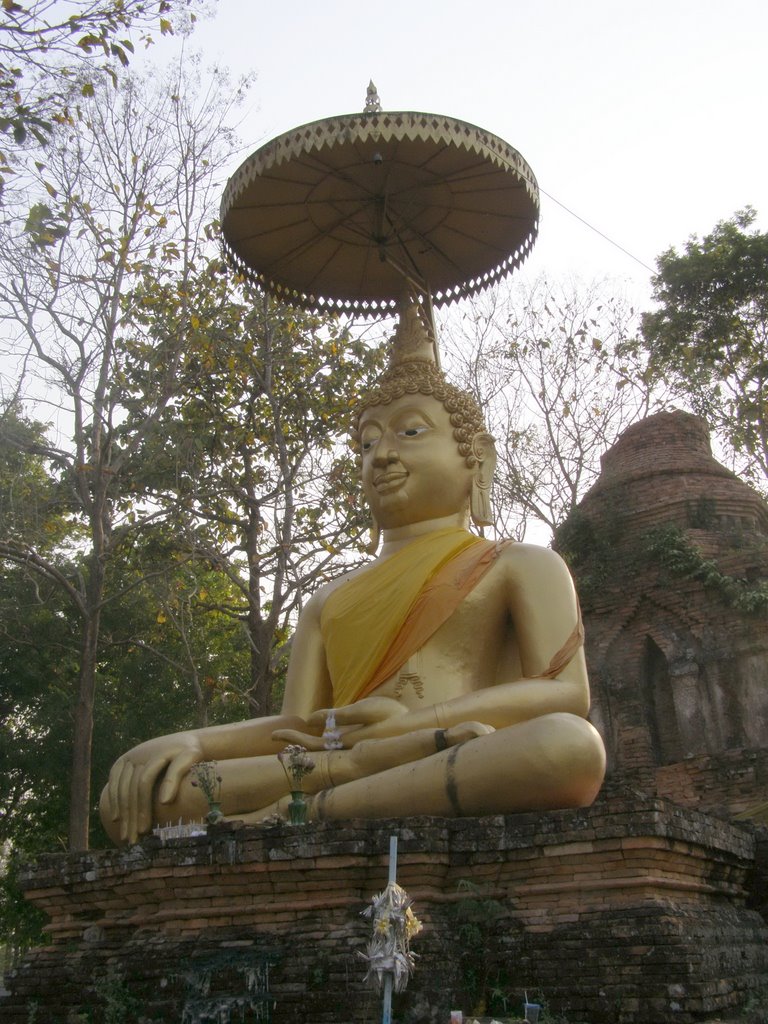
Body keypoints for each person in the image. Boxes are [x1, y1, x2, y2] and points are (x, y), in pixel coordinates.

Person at [100, 301, 605, 845]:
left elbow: (564, 696)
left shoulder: (519, 563)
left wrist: (413, 726)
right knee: (155, 793)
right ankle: (353, 780)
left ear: (477, 458)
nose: (381, 455)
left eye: (410, 432)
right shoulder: (327, 599)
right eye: (366, 443)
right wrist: (195, 743)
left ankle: (318, 806)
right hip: (371, 759)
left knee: (568, 747)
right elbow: (295, 732)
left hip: (457, 745)